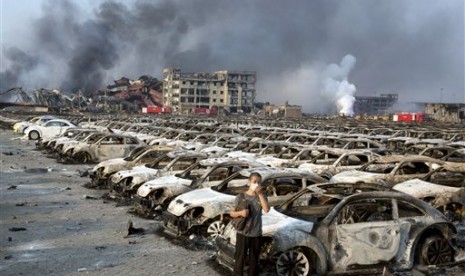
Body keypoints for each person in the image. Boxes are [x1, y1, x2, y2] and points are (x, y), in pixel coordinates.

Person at [230, 172, 270, 276]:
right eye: (254, 182)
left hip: (256, 234)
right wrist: (240, 213)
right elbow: (231, 213)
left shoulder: (262, 197)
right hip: (242, 233)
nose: (256, 184)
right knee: (239, 259)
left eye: (259, 182)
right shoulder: (240, 197)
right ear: (249, 182)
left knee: (254, 261)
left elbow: (266, 209)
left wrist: (260, 194)